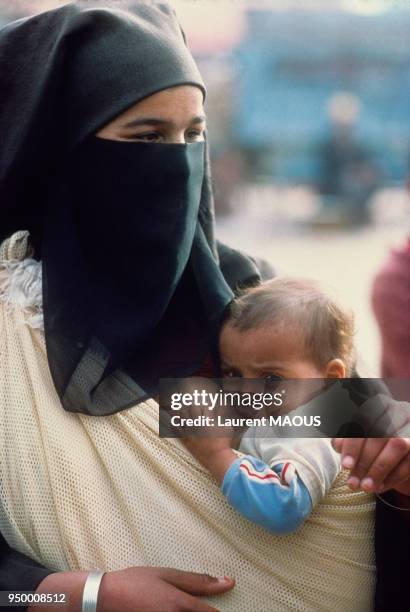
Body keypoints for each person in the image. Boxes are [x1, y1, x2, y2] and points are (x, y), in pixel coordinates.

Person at [0, 2, 408, 611]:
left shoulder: (257, 303)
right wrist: (80, 595)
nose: (178, 161)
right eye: (146, 137)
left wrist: (397, 477)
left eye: (194, 134)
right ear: (65, 153)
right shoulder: (13, 324)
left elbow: (371, 465)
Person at [182, 277, 367, 535]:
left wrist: (216, 455)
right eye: (233, 374)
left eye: (271, 378)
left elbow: (285, 507)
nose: (246, 392)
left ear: (330, 379)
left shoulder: (314, 433)